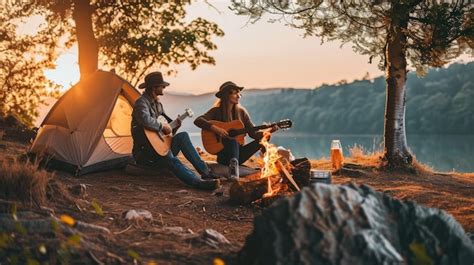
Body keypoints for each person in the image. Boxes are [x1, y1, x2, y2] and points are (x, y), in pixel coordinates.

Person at [131, 71, 220, 190]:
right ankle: (197, 182)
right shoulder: (141, 103)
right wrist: (162, 126)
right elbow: (145, 120)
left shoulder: (158, 104)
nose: (164, 87)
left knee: (183, 136)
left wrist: (175, 125)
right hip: (146, 154)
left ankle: (206, 173)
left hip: (157, 148)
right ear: (154, 87)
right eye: (162, 85)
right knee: (170, 157)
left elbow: (166, 132)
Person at [194, 81, 276, 179]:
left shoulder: (242, 112)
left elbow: (253, 134)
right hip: (224, 157)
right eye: (235, 93)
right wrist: (216, 129)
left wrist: (268, 132)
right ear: (226, 95)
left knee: (264, 139)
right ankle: (233, 171)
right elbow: (198, 120)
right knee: (232, 141)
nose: (238, 96)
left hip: (239, 155)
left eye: (239, 93)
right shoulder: (216, 111)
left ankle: (264, 166)